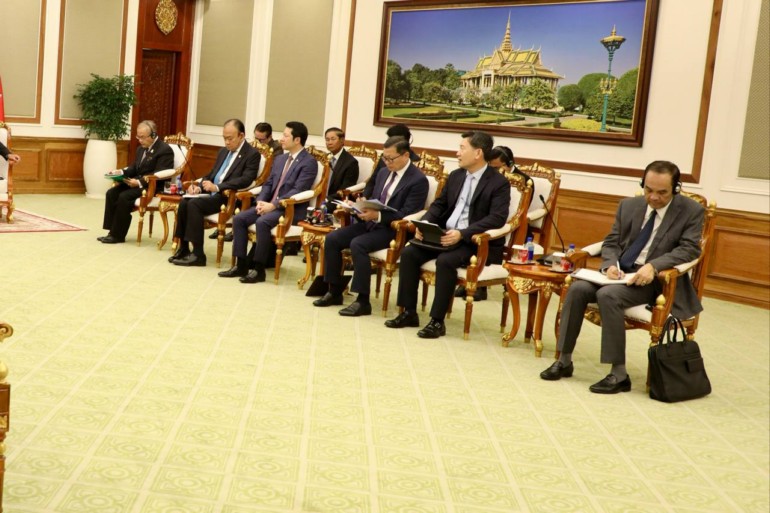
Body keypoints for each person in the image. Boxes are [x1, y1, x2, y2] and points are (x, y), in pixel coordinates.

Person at [540, 160, 705, 394]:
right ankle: (564, 360)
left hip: (655, 281)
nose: (654, 197)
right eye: (648, 190)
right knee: (577, 289)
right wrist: (609, 265)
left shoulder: (690, 211)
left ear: (676, 188)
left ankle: (619, 374)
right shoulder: (629, 206)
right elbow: (612, 241)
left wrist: (653, 266)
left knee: (609, 296)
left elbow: (689, 249)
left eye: (662, 192)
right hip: (620, 274)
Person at [385, 131, 511, 338]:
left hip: (472, 242)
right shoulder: (456, 176)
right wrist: (426, 223)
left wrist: (463, 233)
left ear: (478, 153)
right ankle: (408, 312)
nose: (457, 153)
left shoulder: (498, 182)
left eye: (462, 148)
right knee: (409, 254)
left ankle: (437, 321)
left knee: (445, 261)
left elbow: (497, 218)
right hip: (444, 235)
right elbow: (439, 205)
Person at [313, 136, 428, 316]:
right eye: (384, 158)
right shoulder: (383, 172)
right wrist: (359, 205)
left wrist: (378, 215)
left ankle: (362, 300)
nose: (387, 163)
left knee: (358, 244)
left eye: (391, 159)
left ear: (405, 155)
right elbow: (375, 200)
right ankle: (334, 291)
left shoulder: (418, 180)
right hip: (370, 223)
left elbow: (407, 213)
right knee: (333, 239)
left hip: (393, 230)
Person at [219, 121, 317, 283]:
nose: (281, 139)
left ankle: (259, 270)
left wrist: (273, 204)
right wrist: (261, 201)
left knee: (262, 222)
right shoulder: (280, 159)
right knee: (239, 218)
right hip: (268, 205)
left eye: (285, 136)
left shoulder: (308, 162)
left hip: (288, 209)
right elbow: (268, 184)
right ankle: (241, 265)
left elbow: (298, 190)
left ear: (297, 140)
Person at [169, 119, 260, 266]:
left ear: (241, 136)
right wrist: (199, 186)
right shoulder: (223, 151)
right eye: (224, 138)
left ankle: (198, 254)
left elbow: (246, 179)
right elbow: (212, 174)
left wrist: (218, 187)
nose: (227, 142)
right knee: (184, 201)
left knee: (194, 204)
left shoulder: (251, 154)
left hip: (228, 198)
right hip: (213, 194)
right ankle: (184, 248)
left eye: (230, 138)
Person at [98, 120, 174, 244]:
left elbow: (159, 174)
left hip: (153, 187)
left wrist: (139, 182)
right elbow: (134, 168)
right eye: (138, 137)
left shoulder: (164, 150)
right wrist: (120, 172)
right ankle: (111, 232)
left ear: (153, 135)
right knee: (111, 193)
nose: (140, 140)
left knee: (124, 197)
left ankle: (118, 236)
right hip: (137, 183)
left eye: (142, 137)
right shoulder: (141, 149)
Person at [210, 122, 284, 242]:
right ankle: (223, 226)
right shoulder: (249, 146)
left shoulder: (276, 148)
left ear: (269, 137)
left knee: (243, 194)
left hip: (264, 182)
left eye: (261, 139)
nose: (257, 142)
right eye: (256, 138)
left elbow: (272, 172)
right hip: (249, 178)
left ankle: (234, 229)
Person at [362, 123, 420, 199]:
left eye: (392, 140)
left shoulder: (416, 163)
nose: (387, 162)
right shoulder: (385, 158)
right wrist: (365, 197)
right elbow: (373, 180)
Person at [323, 127, 359, 205]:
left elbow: (345, 189)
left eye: (333, 139)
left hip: (336, 201)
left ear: (342, 140)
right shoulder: (324, 158)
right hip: (320, 197)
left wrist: (327, 200)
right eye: (327, 139)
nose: (329, 142)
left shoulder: (351, 162)